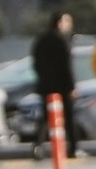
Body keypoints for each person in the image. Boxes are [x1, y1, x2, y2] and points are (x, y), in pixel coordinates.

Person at [31, 11, 78, 158]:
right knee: (69, 117)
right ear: (59, 23)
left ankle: (38, 146)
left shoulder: (41, 39)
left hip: (46, 84)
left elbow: (36, 62)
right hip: (63, 85)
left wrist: (43, 77)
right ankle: (73, 148)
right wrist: (72, 86)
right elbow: (67, 65)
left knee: (46, 117)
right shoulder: (63, 40)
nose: (70, 26)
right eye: (67, 22)